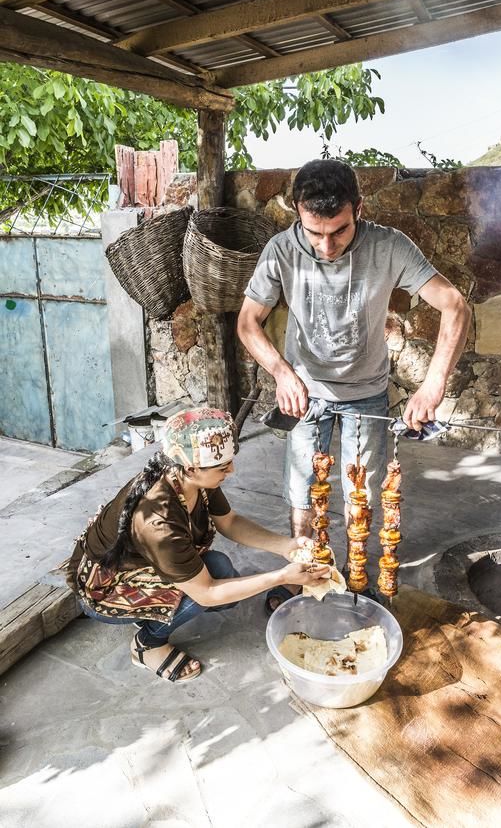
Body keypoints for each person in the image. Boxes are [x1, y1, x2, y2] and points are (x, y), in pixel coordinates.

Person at [237, 159, 471, 608]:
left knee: (358, 494)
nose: (326, 246)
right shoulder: (280, 250)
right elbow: (248, 322)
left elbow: (454, 305)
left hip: (366, 394)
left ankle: (356, 580)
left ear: (358, 209)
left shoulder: (389, 246)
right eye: (314, 233)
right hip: (304, 394)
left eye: (339, 231)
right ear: (297, 213)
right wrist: (282, 372)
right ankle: (305, 577)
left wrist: (433, 384)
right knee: (303, 493)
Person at [66, 408, 329, 683]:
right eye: (223, 467)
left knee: (221, 571)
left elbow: (229, 522)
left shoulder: (190, 477)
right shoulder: (158, 521)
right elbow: (206, 593)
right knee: (205, 593)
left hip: (142, 567)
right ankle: (147, 644)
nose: (231, 470)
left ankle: (150, 613)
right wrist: (282, 576)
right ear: (191, 469)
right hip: (106, 588)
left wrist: (286, 546)